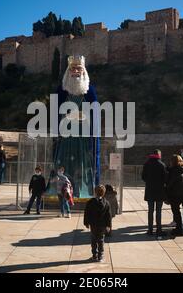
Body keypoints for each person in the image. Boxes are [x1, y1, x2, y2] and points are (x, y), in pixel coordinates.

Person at [54, 55, 100, 199]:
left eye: (78, 68)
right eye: (72, 68)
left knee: (82, 164)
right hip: (66, 136)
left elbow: (95, 114)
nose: (75, 71)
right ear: (68, 71)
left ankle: (82, 190)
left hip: (83, 136)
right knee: (64, 162)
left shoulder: (90, 91)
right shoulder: (62, 90)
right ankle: (61, 190)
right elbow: (55, 111)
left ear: (83, 70)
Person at [142, 149, 167, 239]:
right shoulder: (162, 165)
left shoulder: (146, 164)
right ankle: (159, 229)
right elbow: (165, 178)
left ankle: (150, 229)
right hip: (159, 191)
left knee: (150, 211)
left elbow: (143, 177)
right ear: (159, 155)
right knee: (159, 211)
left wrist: (149, 182)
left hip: (149, 191)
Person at [84, 185, 112, 263]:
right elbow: (108, 216)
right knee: (101, 240)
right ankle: (100, 256)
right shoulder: (106, 203)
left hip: (93, 225)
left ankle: (94, 255)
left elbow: (87, 213)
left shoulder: (90, 202)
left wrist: (86, 222)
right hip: (102, 225)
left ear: (95, 192)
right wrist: (108, 225)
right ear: (104, 193)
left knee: (93, 239)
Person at [169, 143, 183, 229]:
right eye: (182, 150)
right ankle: (176, 221)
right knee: (176, 207)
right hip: (179, 186)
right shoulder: (177, 158)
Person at [166, 155, 183, 236]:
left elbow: (170, 183)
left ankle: (179, 229)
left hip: (175, 194)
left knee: (176, 212)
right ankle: (180, 227)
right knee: (177, 211)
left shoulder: (174, 171)